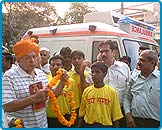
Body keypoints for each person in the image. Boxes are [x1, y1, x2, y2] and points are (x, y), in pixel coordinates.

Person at [2, 39, 64, 128]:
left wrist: (62, 82)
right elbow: (7, 106)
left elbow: (52, 93)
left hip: (43, 126)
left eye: (34, 57)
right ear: (18, 60)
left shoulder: (40, 73)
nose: (32, 61)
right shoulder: (9, 76)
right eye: (28, 58)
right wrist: (34, 98)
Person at [78, 62, 123, 127]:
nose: (94, 74)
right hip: (89, 125)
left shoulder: (111, 92)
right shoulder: (87, 91)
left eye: (97, 72)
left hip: (105, 126)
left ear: (104, 74)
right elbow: (81, 113)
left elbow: (116, 115)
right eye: (92, 72)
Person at [97, 40, 131, 127]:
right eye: (101, 52)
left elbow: (129, 89)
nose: (103, 54)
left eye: (106, 51)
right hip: (102, 112)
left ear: (114, 52)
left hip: (121, 111)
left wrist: (128, 112)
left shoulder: (124, 67)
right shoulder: (96, 70)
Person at [123, 50, 160, 128]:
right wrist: (128, 115)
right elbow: (127, 97)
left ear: (152, 62)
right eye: (138, 59)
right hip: (135, 122)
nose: (138, 62)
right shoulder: (134, 78)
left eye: (142, 60)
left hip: (155, 123)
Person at [46, 55, 75, 128]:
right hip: (48, 119)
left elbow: (75, 104)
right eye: (53, 65)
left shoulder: (71, 81)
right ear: (49, 67)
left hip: (66, 118)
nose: (55, 67)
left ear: (63, 67)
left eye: (58, 64)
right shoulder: (44, 80)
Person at [69, 50, 91, 127]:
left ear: (84, 59)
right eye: (74, 59)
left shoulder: (89, 75)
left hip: (87, 108)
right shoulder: (68, 75)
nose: (77, 61)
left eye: (79, 58)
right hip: (73, 109)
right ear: (71, 61)